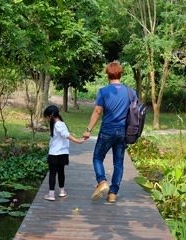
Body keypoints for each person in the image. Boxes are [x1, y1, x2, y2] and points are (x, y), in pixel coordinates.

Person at [82, 61, 136, 203]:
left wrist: (88, 130)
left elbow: (98, 111)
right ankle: (113, 194)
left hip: (107, 130)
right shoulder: (131, 92)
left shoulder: (104, 91)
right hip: (123, 132)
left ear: (108, 74)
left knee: (97, 158)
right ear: (120, 73)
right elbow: (135, 112)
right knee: (118, 163)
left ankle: (102, 181)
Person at [42, 105, 85, 201]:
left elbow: (66, 135)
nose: (47, 120)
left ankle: (51, 194)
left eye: (46, 118)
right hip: (63, 153)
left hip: (54, 153)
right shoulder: (61, 123)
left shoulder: (57, 125)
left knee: (52, 173)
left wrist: (78, 141)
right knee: (61, 172)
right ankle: (61, 191)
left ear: (50, 116)